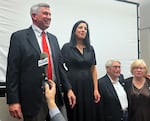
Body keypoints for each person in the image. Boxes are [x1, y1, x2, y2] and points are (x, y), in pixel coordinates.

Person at [6, 3, 65, 121]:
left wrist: (68, 89)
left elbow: (59, 67)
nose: (49, 17)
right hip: (32, 100)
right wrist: (13, 101)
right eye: (45, 13)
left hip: (54, 96)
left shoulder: (53, 39)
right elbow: (13, 71)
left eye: (50, 14)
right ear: (34, 16)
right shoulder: (19, 37)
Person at [60, 20, 100, 121]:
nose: (83, 30)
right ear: (74, 30)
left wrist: (96, 89)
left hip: (88, 86)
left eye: (85, 29)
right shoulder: (67, 47)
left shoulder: (90, 48)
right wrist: (68, 88)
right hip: (73, 85)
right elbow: (60, 68)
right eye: (80, 27)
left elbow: (93, 69)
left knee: (89, 113)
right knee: (73, 113)